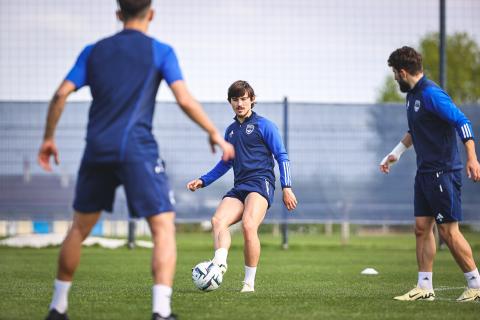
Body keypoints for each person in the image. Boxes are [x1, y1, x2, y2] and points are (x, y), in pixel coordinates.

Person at [38, 1, 234, 319]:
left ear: (118, 15)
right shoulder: (161, 51)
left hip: (97, 149)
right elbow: (183, 98)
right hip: (137, 150)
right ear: (151, 14)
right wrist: (213, 132)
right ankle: (161, 311)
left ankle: (57, 307)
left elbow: (61, 94)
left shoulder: (94, 51)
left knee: (78, 229)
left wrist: (49, 137)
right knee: (162, 228)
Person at [380, 46, 480, 302]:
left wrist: (472, 157)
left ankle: (476, 285)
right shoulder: (412, 96)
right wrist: (396, 153)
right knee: (421, 228)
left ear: (402, 72)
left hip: (443, 173)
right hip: (425, 173)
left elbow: (462, 121)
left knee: (448, 231)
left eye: (394, 73)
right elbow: (416, 130)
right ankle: (424, 287)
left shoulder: (432, 94)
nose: (394, 78)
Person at [187, 80, 297, 293]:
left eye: (244, 99)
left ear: (252, 100)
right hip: (240, 186)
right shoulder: (230, 132)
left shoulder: (264, 125)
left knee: (248, 225)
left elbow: (282, 156)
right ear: (230, 102)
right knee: (218, 220)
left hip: (261, 183)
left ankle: (248, 283)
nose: (240, 103)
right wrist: (203, 180)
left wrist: (287, 187)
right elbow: (226, 162)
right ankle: (220, 263)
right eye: (235, 99)